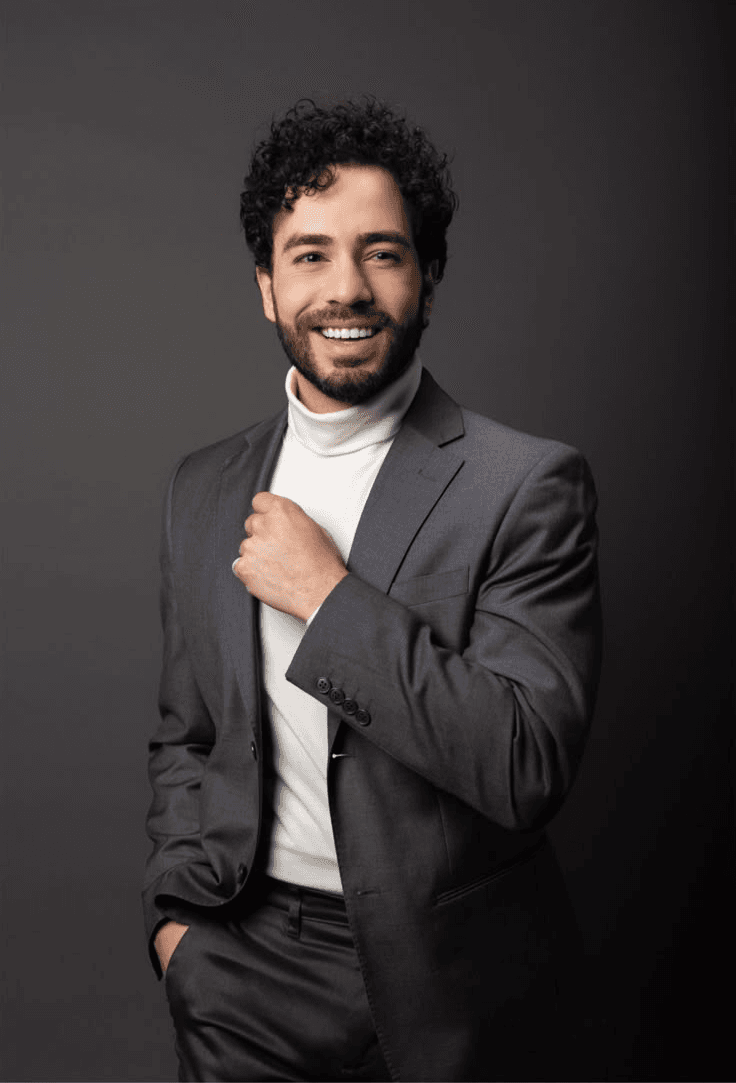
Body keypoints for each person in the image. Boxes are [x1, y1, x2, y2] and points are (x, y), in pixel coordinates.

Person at [143, 98, 602, 1083]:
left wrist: (328, 599)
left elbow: (525, 765)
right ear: (267, 286)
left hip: (450, 991)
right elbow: (188, 737)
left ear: (427, 277)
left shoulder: (523, 483)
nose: (345, 287)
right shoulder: (203, 486)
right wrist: (179, 930)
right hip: (239, 967)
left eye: (381, 253)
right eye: (309, 255)